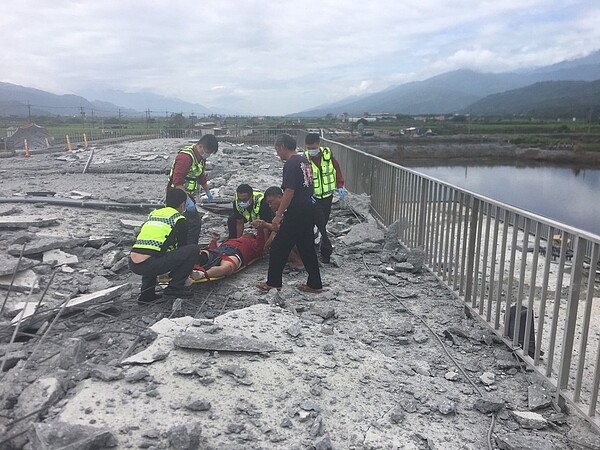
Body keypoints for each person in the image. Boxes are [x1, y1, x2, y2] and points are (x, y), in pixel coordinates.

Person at [258, 134, 322, 293]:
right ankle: (315, 283)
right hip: (308, 208)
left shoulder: (291, 164)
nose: (277, 153)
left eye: (276, 150)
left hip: (297, 211)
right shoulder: (303, 161)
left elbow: (289, 191)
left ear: (282, 146)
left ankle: (273, 282)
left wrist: (279, 214)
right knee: (306, 247)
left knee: (279, 246)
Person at [129, 189, 200, 302]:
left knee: (152, 251)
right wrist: (182, 274)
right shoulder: (179, 219)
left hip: (133, 262)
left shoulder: (154, 214)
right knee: (193, 250)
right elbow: (182, 247)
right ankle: (174, 288)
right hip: (149, 264)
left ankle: (146, 295)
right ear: (182, 204)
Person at [167, 134, 218, 244]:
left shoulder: (200, 158)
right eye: (208, 152)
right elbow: (177, 182)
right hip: (176, 196)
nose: (208, 155)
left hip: (187, 196)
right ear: (200, 146)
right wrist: (187, 200)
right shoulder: (185, 158)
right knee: (190, 224)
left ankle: (185, 248)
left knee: (187, 224)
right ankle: (187, 250)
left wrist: (208, 192)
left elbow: (200, 177)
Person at [304, 132, 346, 264]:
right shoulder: (305, 159)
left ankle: (318, 244)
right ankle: (325, 251)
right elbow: (304, 178)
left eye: (313, 147)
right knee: (320, 224)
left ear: (319, 144)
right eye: (309, 148)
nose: (311, 150)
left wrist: (340, 185)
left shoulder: (328, 156)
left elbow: (337, 169)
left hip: (327, 196)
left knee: (323, 222)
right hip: (313, 198)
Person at [253, 186, 316, 270]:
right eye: (268, 203)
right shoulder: (280, 211)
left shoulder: (290, 208)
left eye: (271, 202)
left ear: (279, 197)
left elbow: (284, 229)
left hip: (309, 238)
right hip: (302, 234)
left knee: (281, 239)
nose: (270, 205)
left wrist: (266, 227)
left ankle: (298, 261)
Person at [195, 229, 266, 279]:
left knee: (227, 267)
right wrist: (214, 241)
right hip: (220, 250)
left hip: (235, 253)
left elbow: (260, 246)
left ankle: (202, 274)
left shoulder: (253, 243)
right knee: (203, 254)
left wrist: (260, 230)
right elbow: (213, 249)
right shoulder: (232, 240)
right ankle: (191, 264)